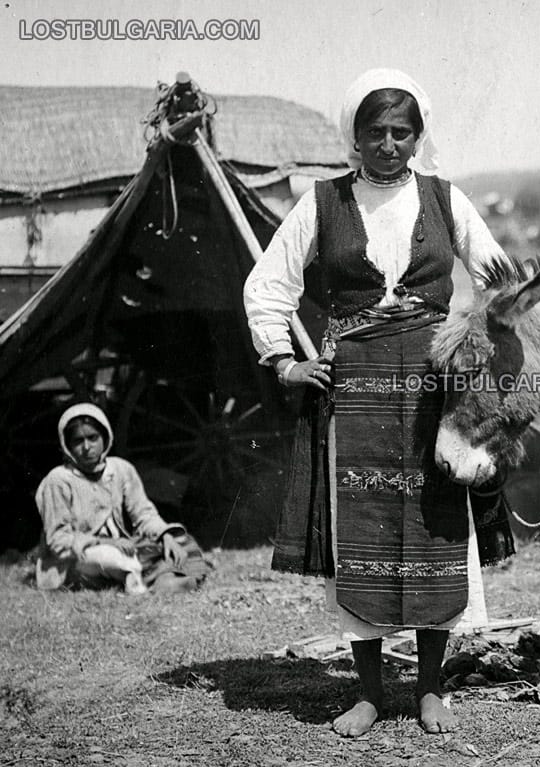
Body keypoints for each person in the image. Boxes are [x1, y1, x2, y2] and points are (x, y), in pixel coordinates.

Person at [243, 69, 515, 738]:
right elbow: (266, 285)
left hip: (432, 387)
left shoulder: (446, 200)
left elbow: (501, 280)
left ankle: (429, 689)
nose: (389, 144)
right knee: (357, 534)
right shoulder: (321, 202)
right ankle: (367, 694)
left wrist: (477, 346)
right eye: (375, 133)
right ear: (354, 139)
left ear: (418, 136)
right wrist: (285, 360)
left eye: (401, 132)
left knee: (435, 528)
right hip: (353, 387)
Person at [34, 403, 212, 595]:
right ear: (67, 446)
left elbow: (143, 513)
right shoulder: (59, 480)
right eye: (78, 441)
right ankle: (142, 586)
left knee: (180, 541)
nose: (87, 447)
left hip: (123, 546)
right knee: (111, 558)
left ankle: (164, 578)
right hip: (77, 557)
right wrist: (108, 543)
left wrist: (165, 536)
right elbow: (58, 540)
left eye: (93, 438)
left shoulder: (121, 469)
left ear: (105, 437)